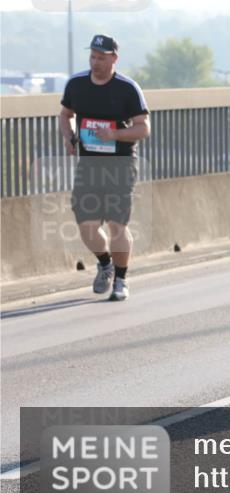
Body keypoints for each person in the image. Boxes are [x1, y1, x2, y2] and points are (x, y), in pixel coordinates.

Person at [58, 35, 150, 301]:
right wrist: (68, 136)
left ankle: (121, 280)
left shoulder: (127, 88)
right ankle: (105, 263)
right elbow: (66, 115)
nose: (95, 62)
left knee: (116, 224)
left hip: (120, 164)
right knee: (86, 225)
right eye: (92, 57)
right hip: (89, 164)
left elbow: (144, 127)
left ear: (114, 59)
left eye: (101, 57)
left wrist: (115, 135)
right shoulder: (76, 84)